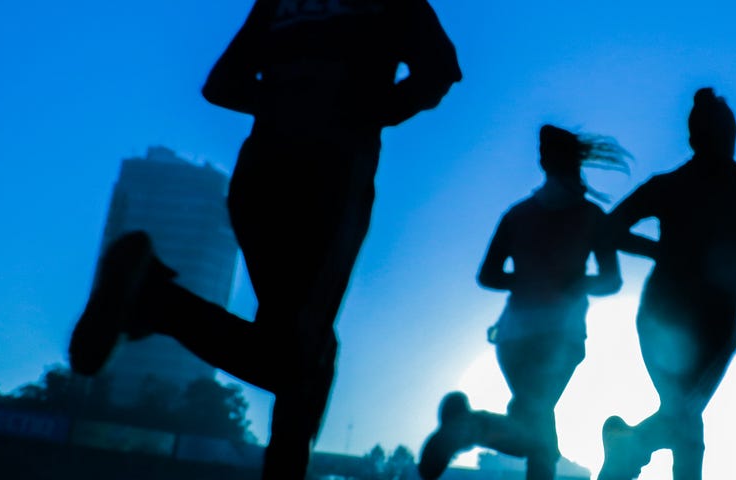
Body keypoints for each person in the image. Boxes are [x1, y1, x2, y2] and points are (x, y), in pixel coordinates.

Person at [66, 1, 461, 479]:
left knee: (304, 346)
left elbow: (220, 85)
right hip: (332, 177)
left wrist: (284, 102)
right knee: (300, 353)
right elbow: (440, 72)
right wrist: (365, 112)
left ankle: (156, 300)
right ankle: (155, 299)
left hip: (260, 178)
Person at [417, 125, 628, 480]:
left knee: (539, 430)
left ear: (544, 161)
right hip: (560, 339)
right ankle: (469, 427)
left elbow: (488, 275)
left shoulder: (518, 214)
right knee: (541, 435)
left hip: (513, 336)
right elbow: (612, 281)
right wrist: (574, 284)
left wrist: (528, 280)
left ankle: (467, 426)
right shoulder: (591, 217)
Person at [596, 88, 736, 480]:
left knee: (684, 420)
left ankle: (626, 447)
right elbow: (607, 231)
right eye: (722, 137)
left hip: (700, 329)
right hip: (677, 324)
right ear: (700, 139)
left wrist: (675, 253)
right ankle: (627, 446)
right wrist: (663, 251)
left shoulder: (726, 190)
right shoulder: (718, 190)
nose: (727, 146)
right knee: (684, 419)